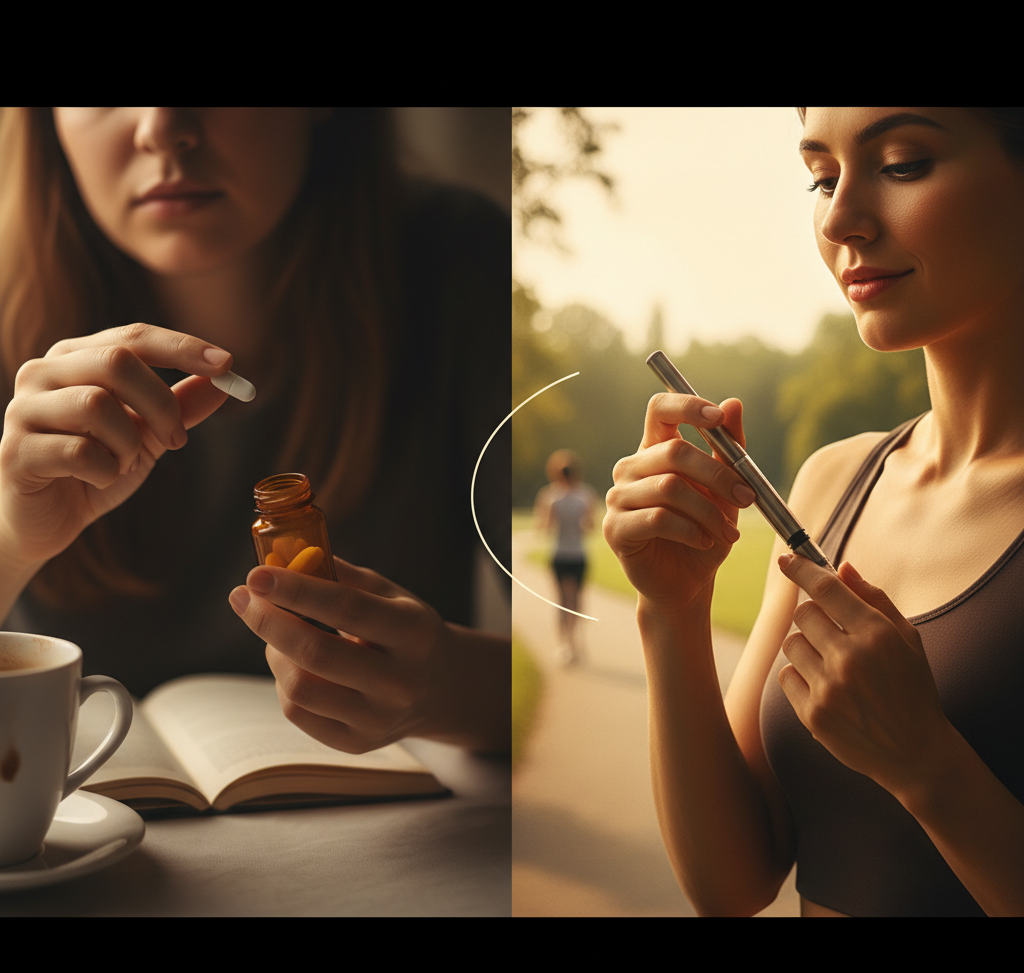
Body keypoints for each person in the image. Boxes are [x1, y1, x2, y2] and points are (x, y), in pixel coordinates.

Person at [603, 108, 1024, 916]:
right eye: (821, 177)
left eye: (902, 164)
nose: (838, 219)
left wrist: (928, 767)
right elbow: (733, 883)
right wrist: (674, 610)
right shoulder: (834, 484)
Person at [0, 108, 510, 756]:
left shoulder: (457, 259)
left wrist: (448, 687)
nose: (162, 128)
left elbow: (594, 674)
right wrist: (12, 541)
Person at [533, 449, 597, 665]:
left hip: (559, 554)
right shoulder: (586, 495)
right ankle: (576, 643)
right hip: (578, 554)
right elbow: (590, 527)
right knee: (576, 600)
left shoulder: (550, 496)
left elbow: (544, 528)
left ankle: (564, 645)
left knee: (561, 601)